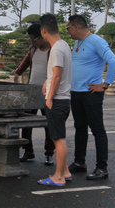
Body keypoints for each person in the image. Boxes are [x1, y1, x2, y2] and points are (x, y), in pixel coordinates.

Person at [66, 14, 115, 181]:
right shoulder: (77, 42)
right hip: (76, 93)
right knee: (80, 129)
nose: (67, 30)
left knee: (97, 130)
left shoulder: (96, 41)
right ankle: (79, 162)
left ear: (76, 26)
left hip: (91, 94)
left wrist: (104, 85)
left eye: (68, 27)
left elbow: (114, 62)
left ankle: (102, 168)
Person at [37, 13, 73, 187]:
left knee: (58, 138)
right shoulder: (63, 45)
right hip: (63, 98)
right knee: (57, 136)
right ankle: (65, 171)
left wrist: (49, 97)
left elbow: (58, 76)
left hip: (58, 99)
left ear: (44, 31)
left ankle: (58, 177)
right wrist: (47, 82)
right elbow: (56, 74)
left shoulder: (57, 48)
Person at [14, 23, 55, 166]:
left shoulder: (54, 50)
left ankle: (49, 153)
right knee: (26, 122)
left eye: (34, 40)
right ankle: (28, 151)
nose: (32, 43)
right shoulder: (33, 49)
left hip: (48, 92)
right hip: (32, 91)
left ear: (42, 36)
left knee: (49, 123)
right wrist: (17, 72)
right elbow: (26, 62)